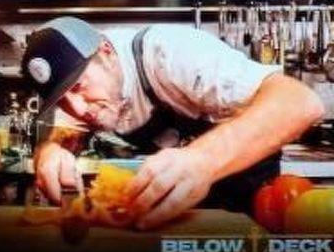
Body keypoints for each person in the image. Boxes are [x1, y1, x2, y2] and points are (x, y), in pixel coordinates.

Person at [24, 14, 326, 228]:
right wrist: (53, 150)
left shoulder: (171, 52)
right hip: (177, 213)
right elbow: (67, 129)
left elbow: (300, 102)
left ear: (106, 51)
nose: (78, 107)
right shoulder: (82, 84)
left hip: (250, 203)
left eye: (79, 87)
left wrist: (201, 161)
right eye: (63, 100)